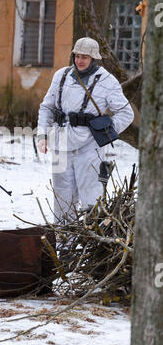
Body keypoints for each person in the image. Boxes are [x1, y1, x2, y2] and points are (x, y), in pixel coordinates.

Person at [37, 37, 134, 224]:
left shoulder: (107, 81)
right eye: (77, 56)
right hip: (60, 144)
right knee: (62, 199)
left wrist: (104, 132)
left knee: (92, 200)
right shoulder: (61, 76)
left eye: (85, 57)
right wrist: (42, 135)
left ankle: (91, 246)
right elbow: (47, 107)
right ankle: (65, 248)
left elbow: (125, 113)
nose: (80, 61)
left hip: (89, 148)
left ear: (94, 58)